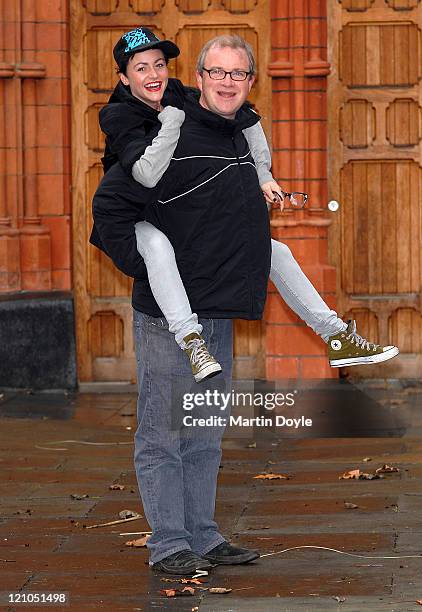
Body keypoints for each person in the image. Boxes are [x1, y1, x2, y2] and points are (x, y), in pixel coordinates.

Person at [91, 32, 399, 575]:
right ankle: (170, 546)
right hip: (170, 316)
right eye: (218, 72)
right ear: (201, 78)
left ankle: (205, 537)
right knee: (162, 435)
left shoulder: (240, 136)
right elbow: (115, 206)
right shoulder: (161, 131)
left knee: (205, 433)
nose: (228, 82)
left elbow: (237, 217)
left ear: (249, 82)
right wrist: (144, 262)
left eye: (238, 74)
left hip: (219, 308)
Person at [93, 28, 399, 373]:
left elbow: (247, 116)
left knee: (274, 250)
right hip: (131, 211)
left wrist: (263, 174)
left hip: (173, 211)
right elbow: (145, 175)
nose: (153, 75)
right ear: (123, 77)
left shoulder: (177, 93)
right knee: (159, 248)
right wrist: (173, 122)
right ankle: (190, 339)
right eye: (141, 68)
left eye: (159, 65)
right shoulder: (120, 115)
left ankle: (335, 334)